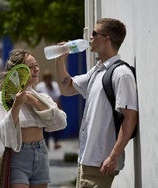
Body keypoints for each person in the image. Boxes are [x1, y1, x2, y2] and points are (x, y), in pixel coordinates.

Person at [55, 18, 138, 188]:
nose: (90, 38)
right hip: (87, 159)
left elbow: (130, 118)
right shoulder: (98, 70)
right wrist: (60, 59)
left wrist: (113, 156)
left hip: (100, 162)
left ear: (106, 39)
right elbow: (67, 88)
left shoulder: (121, 74)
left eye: (94, 33)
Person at [0, 49, 67, 188]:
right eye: (30, 67)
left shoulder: (41, 96)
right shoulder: (5, 98)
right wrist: (16, 106)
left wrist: (34, 101)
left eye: (37, 65)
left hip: (41, 152)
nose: (36, 69)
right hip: (18, 155)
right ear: (18, 71)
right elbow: (4, 135)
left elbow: (61, 122)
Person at [35, 70, 62, 149]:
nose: (48, 80)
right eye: (46, 78)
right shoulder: (40, 86)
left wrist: (59, 109)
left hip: (53, 108)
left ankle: (56, 142)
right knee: (45, 127)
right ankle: (46, 143)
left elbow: (57, 98)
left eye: (49, 78)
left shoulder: (55, 85)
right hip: (43, 109)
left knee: (55, 125)